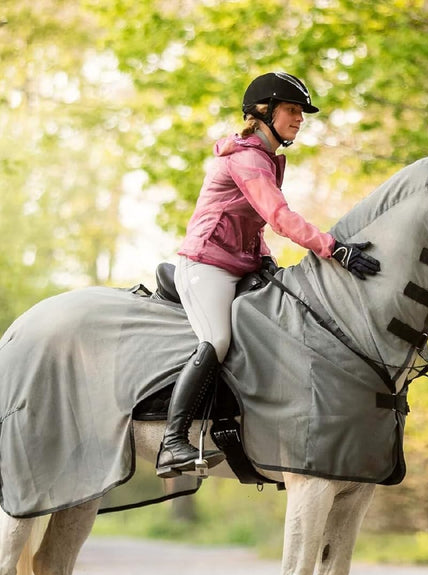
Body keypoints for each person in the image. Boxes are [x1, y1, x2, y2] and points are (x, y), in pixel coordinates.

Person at [156, 71, 381, 478]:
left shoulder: (270, 157)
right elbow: (278, 216)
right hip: (207, 265)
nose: (299, 119)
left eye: (301, 112)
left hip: (241, 263)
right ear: (264, 113)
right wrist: (334, 248)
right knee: (217, 340)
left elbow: (255, 224)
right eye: (292, 110)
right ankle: (172, 443)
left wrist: (265, 260)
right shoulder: (247, 157)